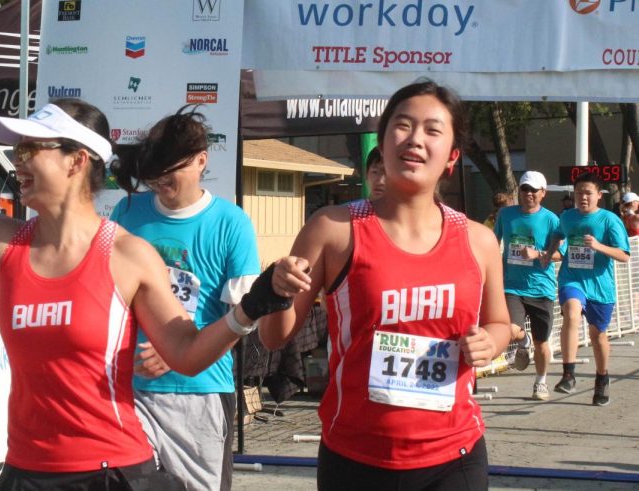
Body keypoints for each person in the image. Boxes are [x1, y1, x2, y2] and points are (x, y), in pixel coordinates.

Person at [0, 73, 291, 489]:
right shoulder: (2, 241)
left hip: (110, 472)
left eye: (30, 149)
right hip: (26, 470)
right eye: (17, 149)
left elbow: (186, 354)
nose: (17, 160)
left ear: (75, 160)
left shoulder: (126, 254)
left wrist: (247, 310)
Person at [257, 79, 511, 490]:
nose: (415, 139)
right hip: (356, 458)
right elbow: (273, 338)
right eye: (402, 125)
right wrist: (278, 290)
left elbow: (499, 322)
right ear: (384, 139)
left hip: (454, 457)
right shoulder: (333, 229)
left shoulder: (478, 240)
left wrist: (491, 342)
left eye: (432, 130)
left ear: (452, 156)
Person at [108, 106, 260, 491]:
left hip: (201, 392)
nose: (159, 179)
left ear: (201, 161)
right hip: (132, 392)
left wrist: (178, 349)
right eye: (153, 170)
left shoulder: (232, 223)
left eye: (170, 168)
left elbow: (244, 316)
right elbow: (108, 296)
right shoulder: (127, 211)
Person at [545, 173, 630, 406]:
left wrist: (599, 246)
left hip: (600, 286)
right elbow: (558, 234)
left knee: (597, 335)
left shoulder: (610, 220)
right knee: (571, 313)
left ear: (599, 196)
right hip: (572, 279)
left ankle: (602, 377)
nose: (582, 197)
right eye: (579, 193)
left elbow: (624, 255)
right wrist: (548, 253)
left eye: (587, 193)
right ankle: (568, 374)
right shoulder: (567, 217)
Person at [494, 171, 562, 400]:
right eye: (525, 189)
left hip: (541, 287)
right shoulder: (506, 214)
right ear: (519, 191)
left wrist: (538, 254)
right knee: (511, 330)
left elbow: (562, 253)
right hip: (512, 285)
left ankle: (540, 382)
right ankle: (524, 340)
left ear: (543, 193)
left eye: (534, 190)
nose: (529, 194)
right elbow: (494, 243)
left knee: (543, 342)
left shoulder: (552, 220)